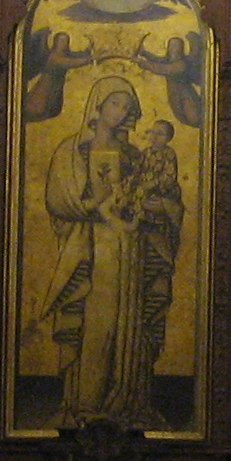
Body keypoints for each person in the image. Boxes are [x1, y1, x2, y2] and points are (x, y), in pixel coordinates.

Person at [41, 79, 179, 427]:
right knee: (95, 323)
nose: (120, 112)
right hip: (91, 249)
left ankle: (127, 400)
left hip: (130, 250)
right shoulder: (72, 151)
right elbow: (59, 199)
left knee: (128, 323)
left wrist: (157, 207)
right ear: (97, 105)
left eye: (126, 107)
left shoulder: (135, 155)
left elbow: (160, 199)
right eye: (115, 103)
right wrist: (96, 204)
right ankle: (84, 403)